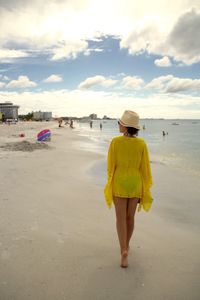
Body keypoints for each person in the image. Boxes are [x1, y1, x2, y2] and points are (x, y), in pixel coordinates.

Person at [104, 110, 153, 268]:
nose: (118, 125)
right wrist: (145, 185)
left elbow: (111, 166)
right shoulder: (142, 143)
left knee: (120, 219)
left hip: (120, 182)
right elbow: (145, 167)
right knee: (130, 218)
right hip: (135, 183)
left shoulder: (115, 142)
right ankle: (127, 246)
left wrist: (110, 182)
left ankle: (123, 250)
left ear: (125, 127)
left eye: (120, 123)